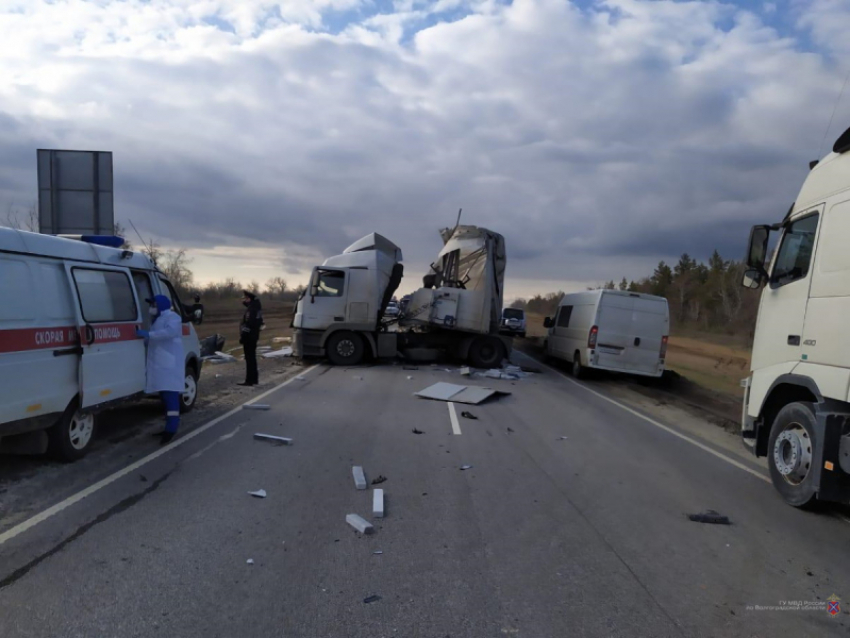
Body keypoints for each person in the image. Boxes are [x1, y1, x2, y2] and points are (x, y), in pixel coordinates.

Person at [136, 295, 185, 445]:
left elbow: (169, 333)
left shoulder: (173, 317)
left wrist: (148, 334)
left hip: (170, 365)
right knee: (164, 396)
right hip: (161, 364)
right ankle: (168, 426)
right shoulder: (157, 319)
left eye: (153, 304)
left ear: (161, 305)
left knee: (171, 398)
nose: (151, 307)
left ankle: (171, 429)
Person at [239, 290, 263, 387]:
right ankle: (254, 379)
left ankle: (249, 380)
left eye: (246, 298)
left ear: (250, 299)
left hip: (249, 337)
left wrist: (243, 337)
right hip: (254, 336)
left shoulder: (251, 310)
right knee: (252, 358)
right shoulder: (256, 308)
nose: (244, 300)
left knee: (249, 359)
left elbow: (248, 324)